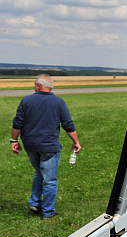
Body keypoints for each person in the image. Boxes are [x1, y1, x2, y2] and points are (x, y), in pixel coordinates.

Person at [10, 74, 81, 219]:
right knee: (50, 180)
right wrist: (76, 142)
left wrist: (14, 140)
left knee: (39, 173)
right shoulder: (58, 102)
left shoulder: (26, 101)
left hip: (30, 145)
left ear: (39, 86)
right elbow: (68, 124)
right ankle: (48, 212)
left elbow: (17, 123)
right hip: (49, 147)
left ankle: (35, 203)